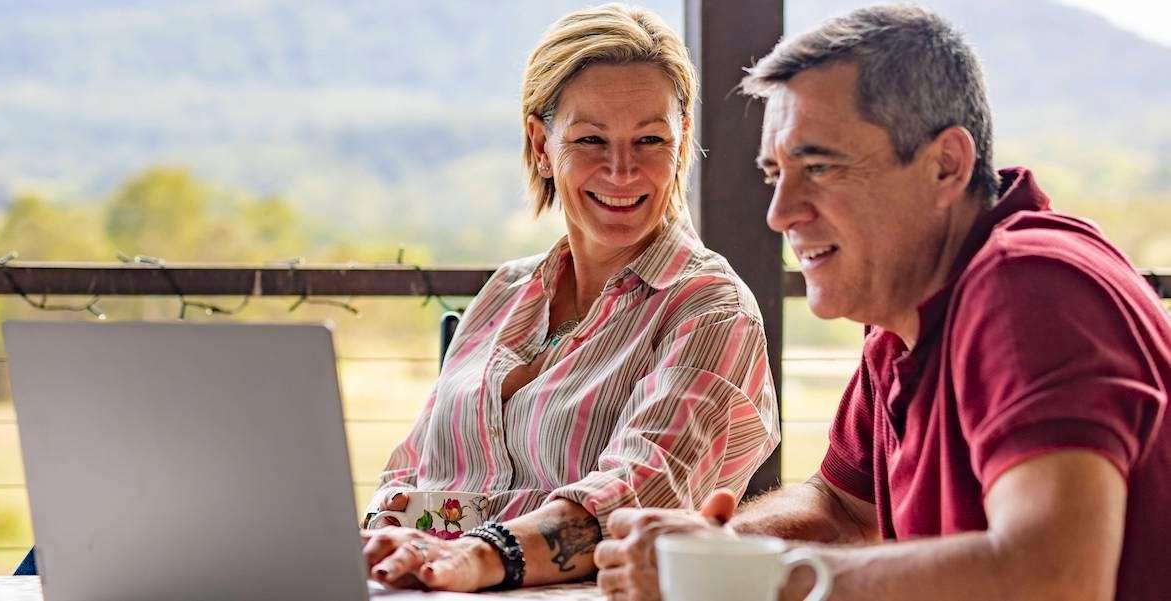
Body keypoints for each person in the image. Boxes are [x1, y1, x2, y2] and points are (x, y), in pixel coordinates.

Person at [595, 5, 1171, 601]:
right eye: (776, 174)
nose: (780, 212)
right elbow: (841, 509)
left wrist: (749, 578)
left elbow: (1055, 578)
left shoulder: (1031, 288)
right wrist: (713, 549)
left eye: (818, 167)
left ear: (945, 166)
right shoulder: (905, 312)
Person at [360, 3, 781, 593]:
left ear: (681, 144)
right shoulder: (504, 292)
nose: (622, 169)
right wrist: (384, 541)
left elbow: (639, 493)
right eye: (590, 139)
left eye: (650, 139)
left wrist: (476, 556)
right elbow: (408, 471)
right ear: (541, 143)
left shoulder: (711, 309)